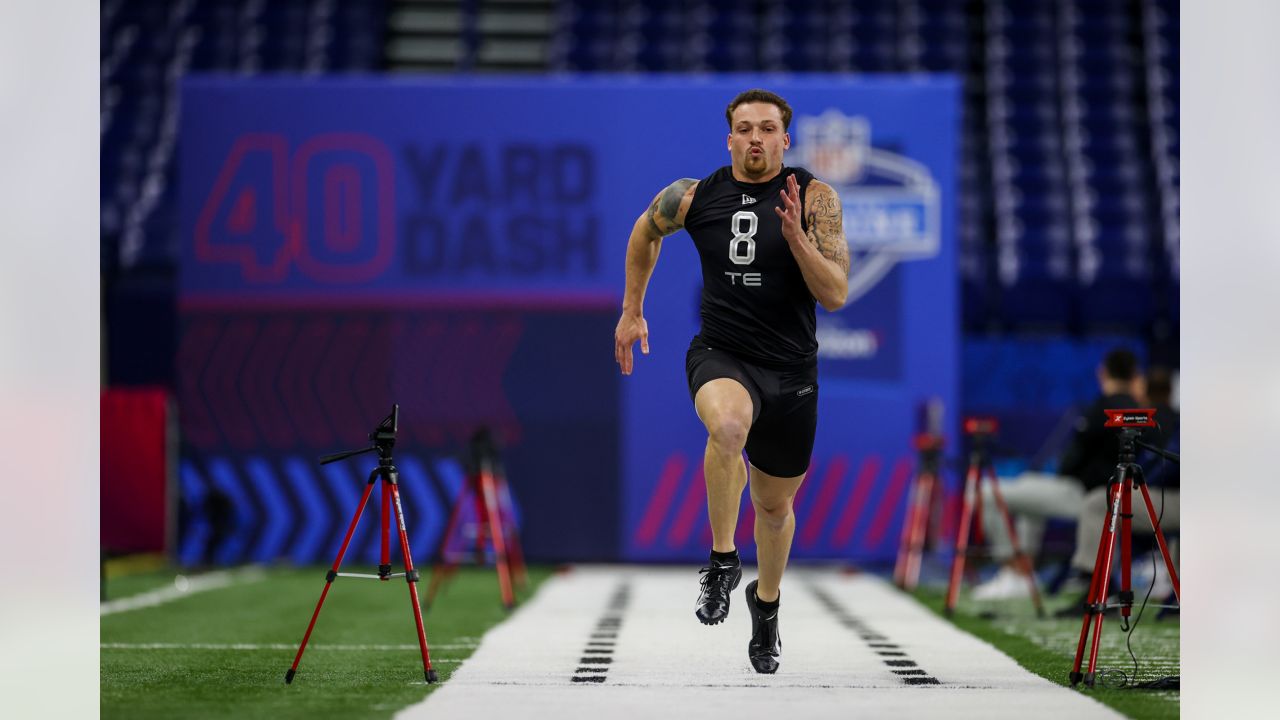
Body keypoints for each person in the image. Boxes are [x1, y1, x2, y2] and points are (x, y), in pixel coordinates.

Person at [613, 89, 849, 673]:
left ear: (785, 140)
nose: (755, 139)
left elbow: (837, 293)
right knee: (727, 426)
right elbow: (645, 231)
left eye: (767, 129)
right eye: (744, 129)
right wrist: (631, 310)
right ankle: (722, 559)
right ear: (729, 138)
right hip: (723, 353)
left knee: (774, 508)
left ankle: (765, 606)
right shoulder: (696, 196)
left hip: (791, 370)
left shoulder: (814, 197)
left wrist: (796, 237)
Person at [971, 348, 1144, 600]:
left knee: (985, 491)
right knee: (1029, 486)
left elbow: (1071, 464)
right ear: (1135, 376)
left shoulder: (1100, 409)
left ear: (1102, 373)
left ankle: (1013, 569)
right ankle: (1022, 573)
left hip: (1083, 494)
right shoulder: (1139, 409)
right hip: (1111, 492)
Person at [1060, 367, 1180, 615]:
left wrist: (1142, 479)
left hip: (1176, 498)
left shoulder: (1160, 418)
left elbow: (1167, 466)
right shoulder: (1178, 417)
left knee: (1099, 501)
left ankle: (1097, 587)